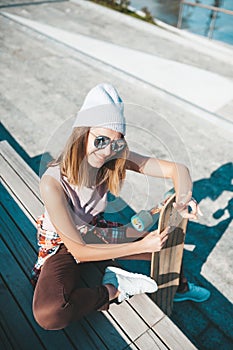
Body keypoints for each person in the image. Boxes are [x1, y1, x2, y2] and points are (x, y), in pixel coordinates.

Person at [31, 83, 210, 330]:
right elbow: (79, 251)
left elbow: (178, 169)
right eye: (101, 139)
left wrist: (183, 197)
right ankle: (114, 287)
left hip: (97, 233)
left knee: (169, 247)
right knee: (49, 314)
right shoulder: (52, 182)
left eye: (116, 142)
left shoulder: (114, 153)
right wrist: (141, 245)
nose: (107, 150)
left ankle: (180, 288)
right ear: (83, 133)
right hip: (64, 247)